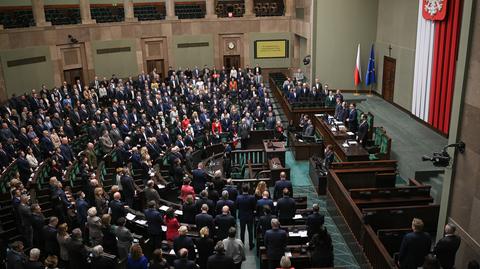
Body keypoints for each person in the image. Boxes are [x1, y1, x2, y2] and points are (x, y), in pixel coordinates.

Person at [236, 184, 256, 250]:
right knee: (250, 231)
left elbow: (237, 207)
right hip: (250, 216)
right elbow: (254, 207)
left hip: (242, 216)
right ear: (248, 189)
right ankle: (251, 244)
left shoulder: (239, 197)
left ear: (242, 189)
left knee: (242, 231)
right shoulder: (252, 197)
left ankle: (242, 244)